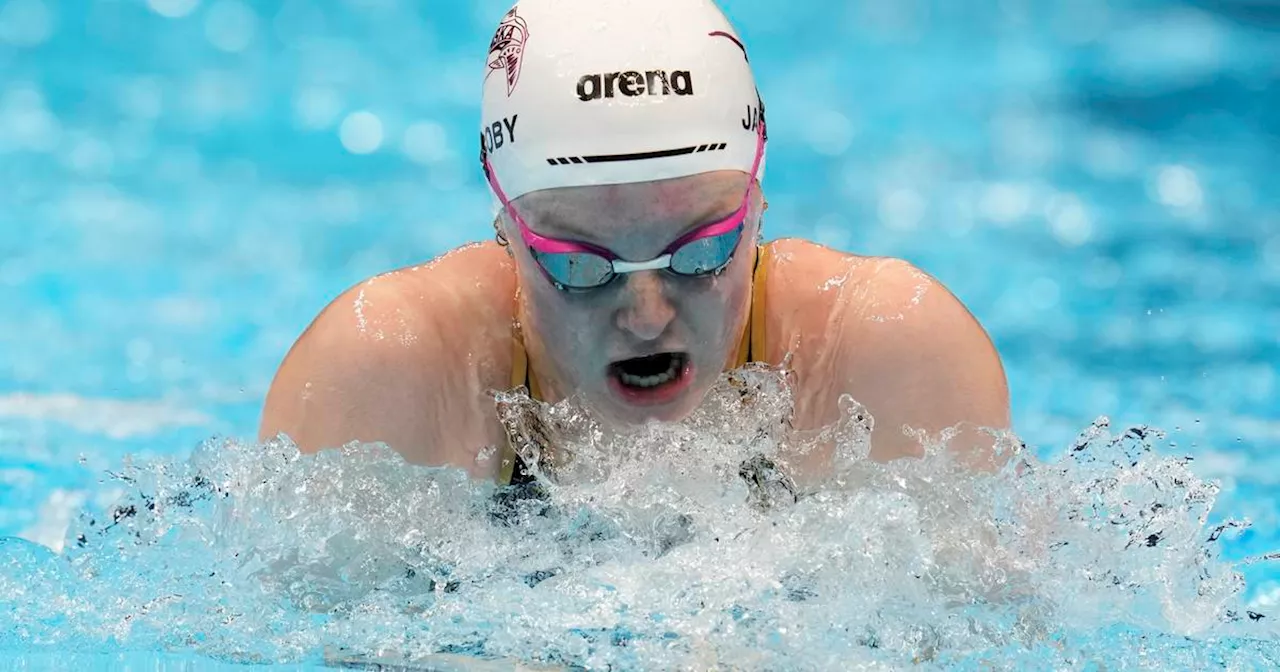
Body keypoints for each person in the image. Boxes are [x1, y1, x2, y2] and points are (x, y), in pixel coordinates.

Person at [257, 0, 1010, 486]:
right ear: (507, 237)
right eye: (582, 266)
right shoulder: (393, 377)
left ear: (756, 209)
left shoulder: (879, 358)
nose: (647, 315)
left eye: (701, 253)